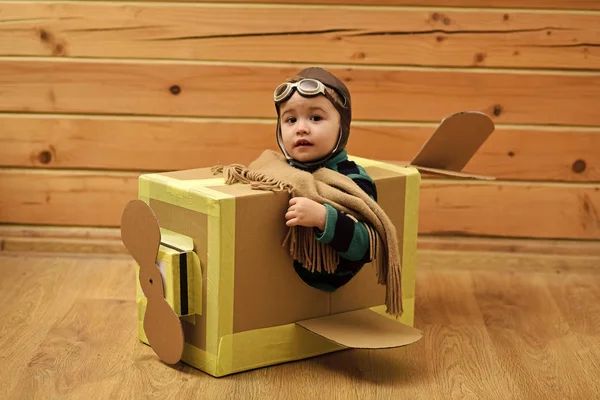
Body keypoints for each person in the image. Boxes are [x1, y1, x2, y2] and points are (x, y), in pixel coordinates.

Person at [273, 67, 378, 292]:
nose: (301, 128)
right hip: (279, 284)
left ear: (342, 126)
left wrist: (324, 217)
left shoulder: (352, 179)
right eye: (290, 119)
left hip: (325, 285)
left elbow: (368, 246)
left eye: (315, 118)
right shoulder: (277, 172)